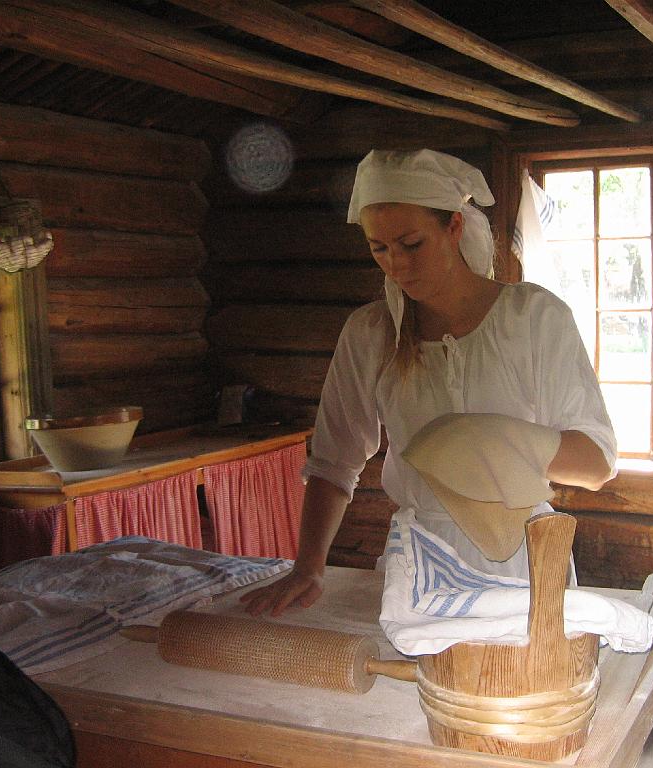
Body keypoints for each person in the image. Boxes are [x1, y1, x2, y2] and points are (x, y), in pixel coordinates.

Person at [241, 149, 616, 617]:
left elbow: (596, 463)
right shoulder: (371, 334)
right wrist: (309, 565)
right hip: (418, 565)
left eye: (411, 243)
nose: (395, 263)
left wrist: (501, 440)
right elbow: (334, 462)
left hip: (523, 563)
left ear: (454, 227)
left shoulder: (533, 318)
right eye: (379, 248)